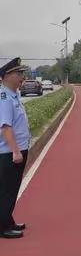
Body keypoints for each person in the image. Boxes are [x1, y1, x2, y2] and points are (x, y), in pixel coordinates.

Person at [0, 57, 30, 239]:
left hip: (16, 151)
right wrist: (16, 151)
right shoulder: (4, 98)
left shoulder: (13, 95)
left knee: (11, 189)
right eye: (19, 73)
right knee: (8, 190)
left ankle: (7, 221)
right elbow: (5, 127)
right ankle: (3, 228)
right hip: (9, 153)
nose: (22, 77)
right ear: (6, 76)